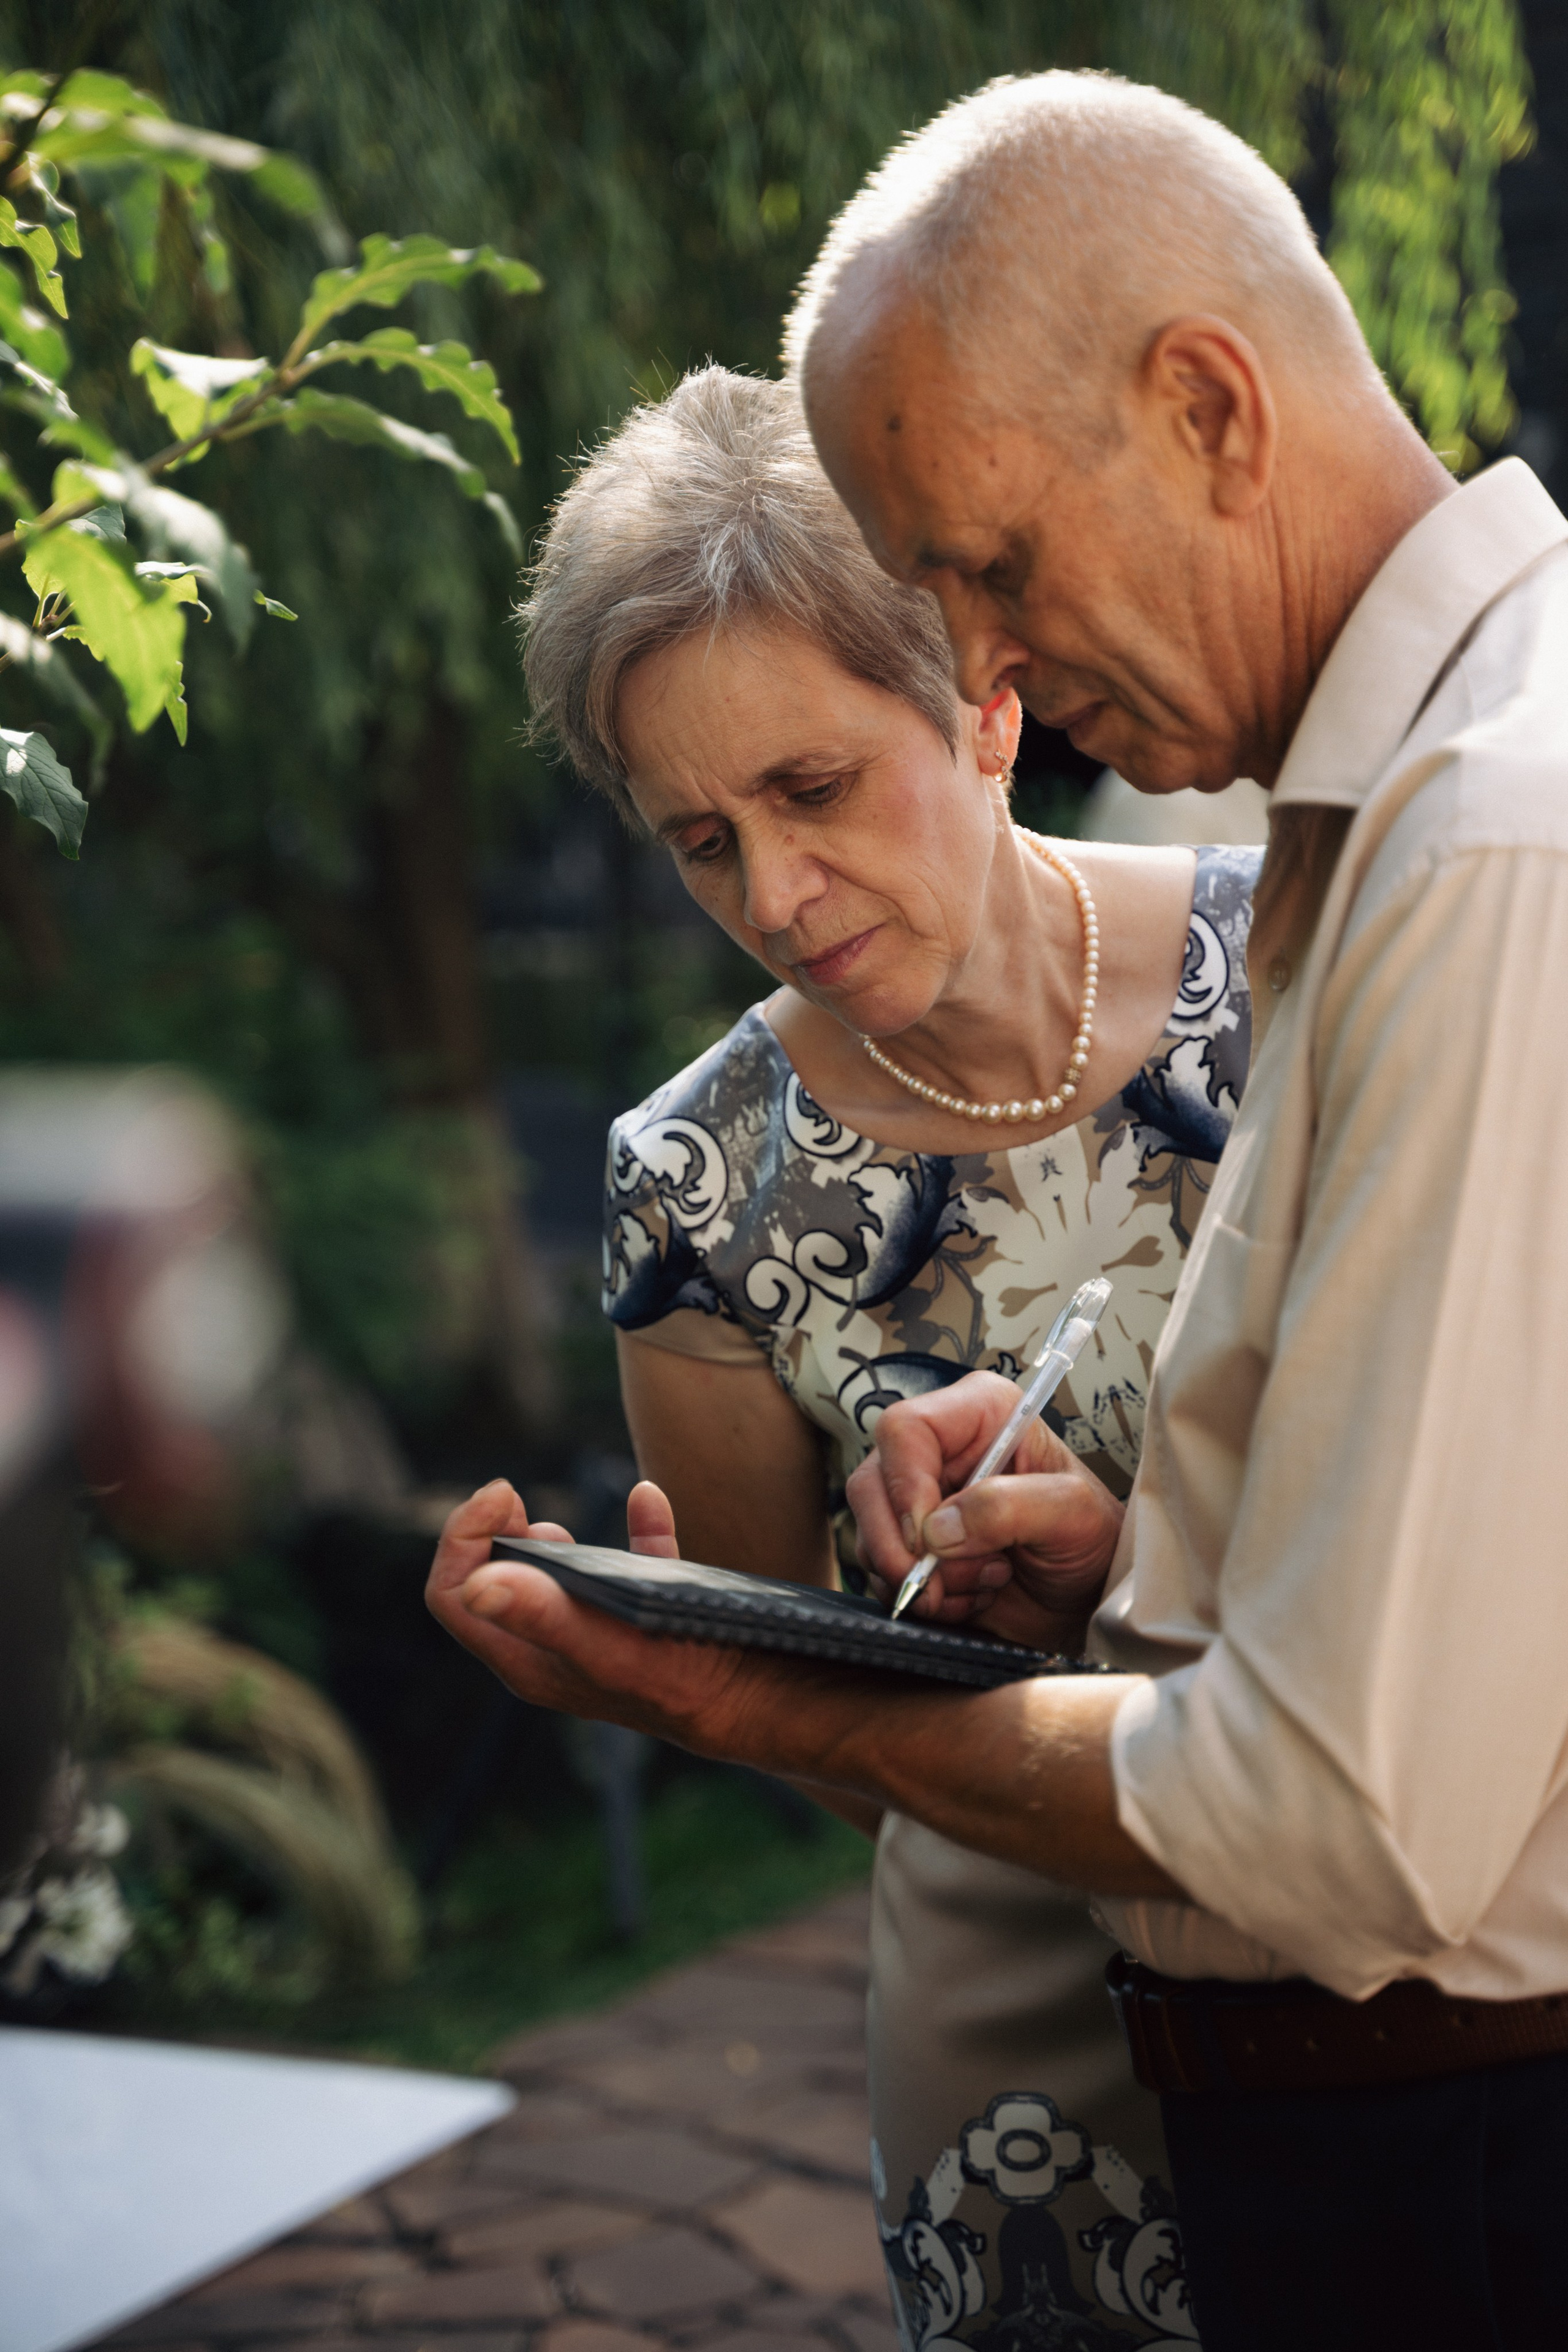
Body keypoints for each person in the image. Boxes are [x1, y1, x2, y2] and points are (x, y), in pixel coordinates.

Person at [429, 70, 1568, 2348]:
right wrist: (1107, 1579)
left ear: (1210, 411)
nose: (993, 660)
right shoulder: (1402, 834)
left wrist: (784, 1711)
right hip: (1133, 2071)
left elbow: (1351, 1802)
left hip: (1426, 2109)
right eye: (699, 838)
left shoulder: (1448, 866)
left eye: (994, 574)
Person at [519, 360, 1258, 2341]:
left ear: (987, 702)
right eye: (699, 842)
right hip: (1024, 2049)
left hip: (1424, 1978)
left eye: (813, 791)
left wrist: (1125, 1572)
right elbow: (821, 1730)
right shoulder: (690, 1187)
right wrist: (778, 1660)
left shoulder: (1311, 969)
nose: (771, 899)